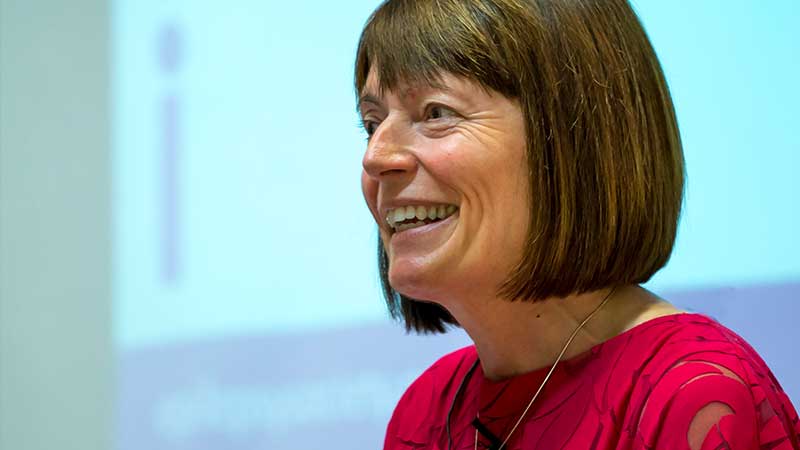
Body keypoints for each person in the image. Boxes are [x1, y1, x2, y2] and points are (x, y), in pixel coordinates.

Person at [354, 0, 800, 449]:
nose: (376, 157)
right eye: (372, 124)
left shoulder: (691, 393)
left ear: (571, 140)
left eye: (436, 113)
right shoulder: (426, 411)